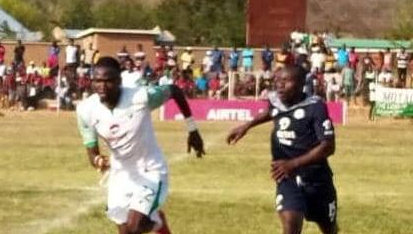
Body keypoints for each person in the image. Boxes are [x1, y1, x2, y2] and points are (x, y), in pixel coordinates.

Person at [76, 57, 205, 234]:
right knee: (126, 231)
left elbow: (174, 90)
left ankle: (154, 222)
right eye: (98, 81)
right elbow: (92, 153)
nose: (103, 86)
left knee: (133, 230)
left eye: (109, 81)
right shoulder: (85, 110)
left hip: (150, 170)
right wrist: (99, 161)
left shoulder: (140, 97)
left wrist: (192, 129)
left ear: (119, 81)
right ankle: (157, 223)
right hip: (120, 174)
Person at [227, 65, 338, 234]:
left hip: (317, 179)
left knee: (329, 229)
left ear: (301, 84)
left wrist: (293, 163)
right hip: (287, 178)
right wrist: (247, 126)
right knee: (290, 228)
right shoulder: (276, 101)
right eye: (277, 81)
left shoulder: (315, 106)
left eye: (286, 81)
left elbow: (328, 146)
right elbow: (272, 112)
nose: (279, 85)